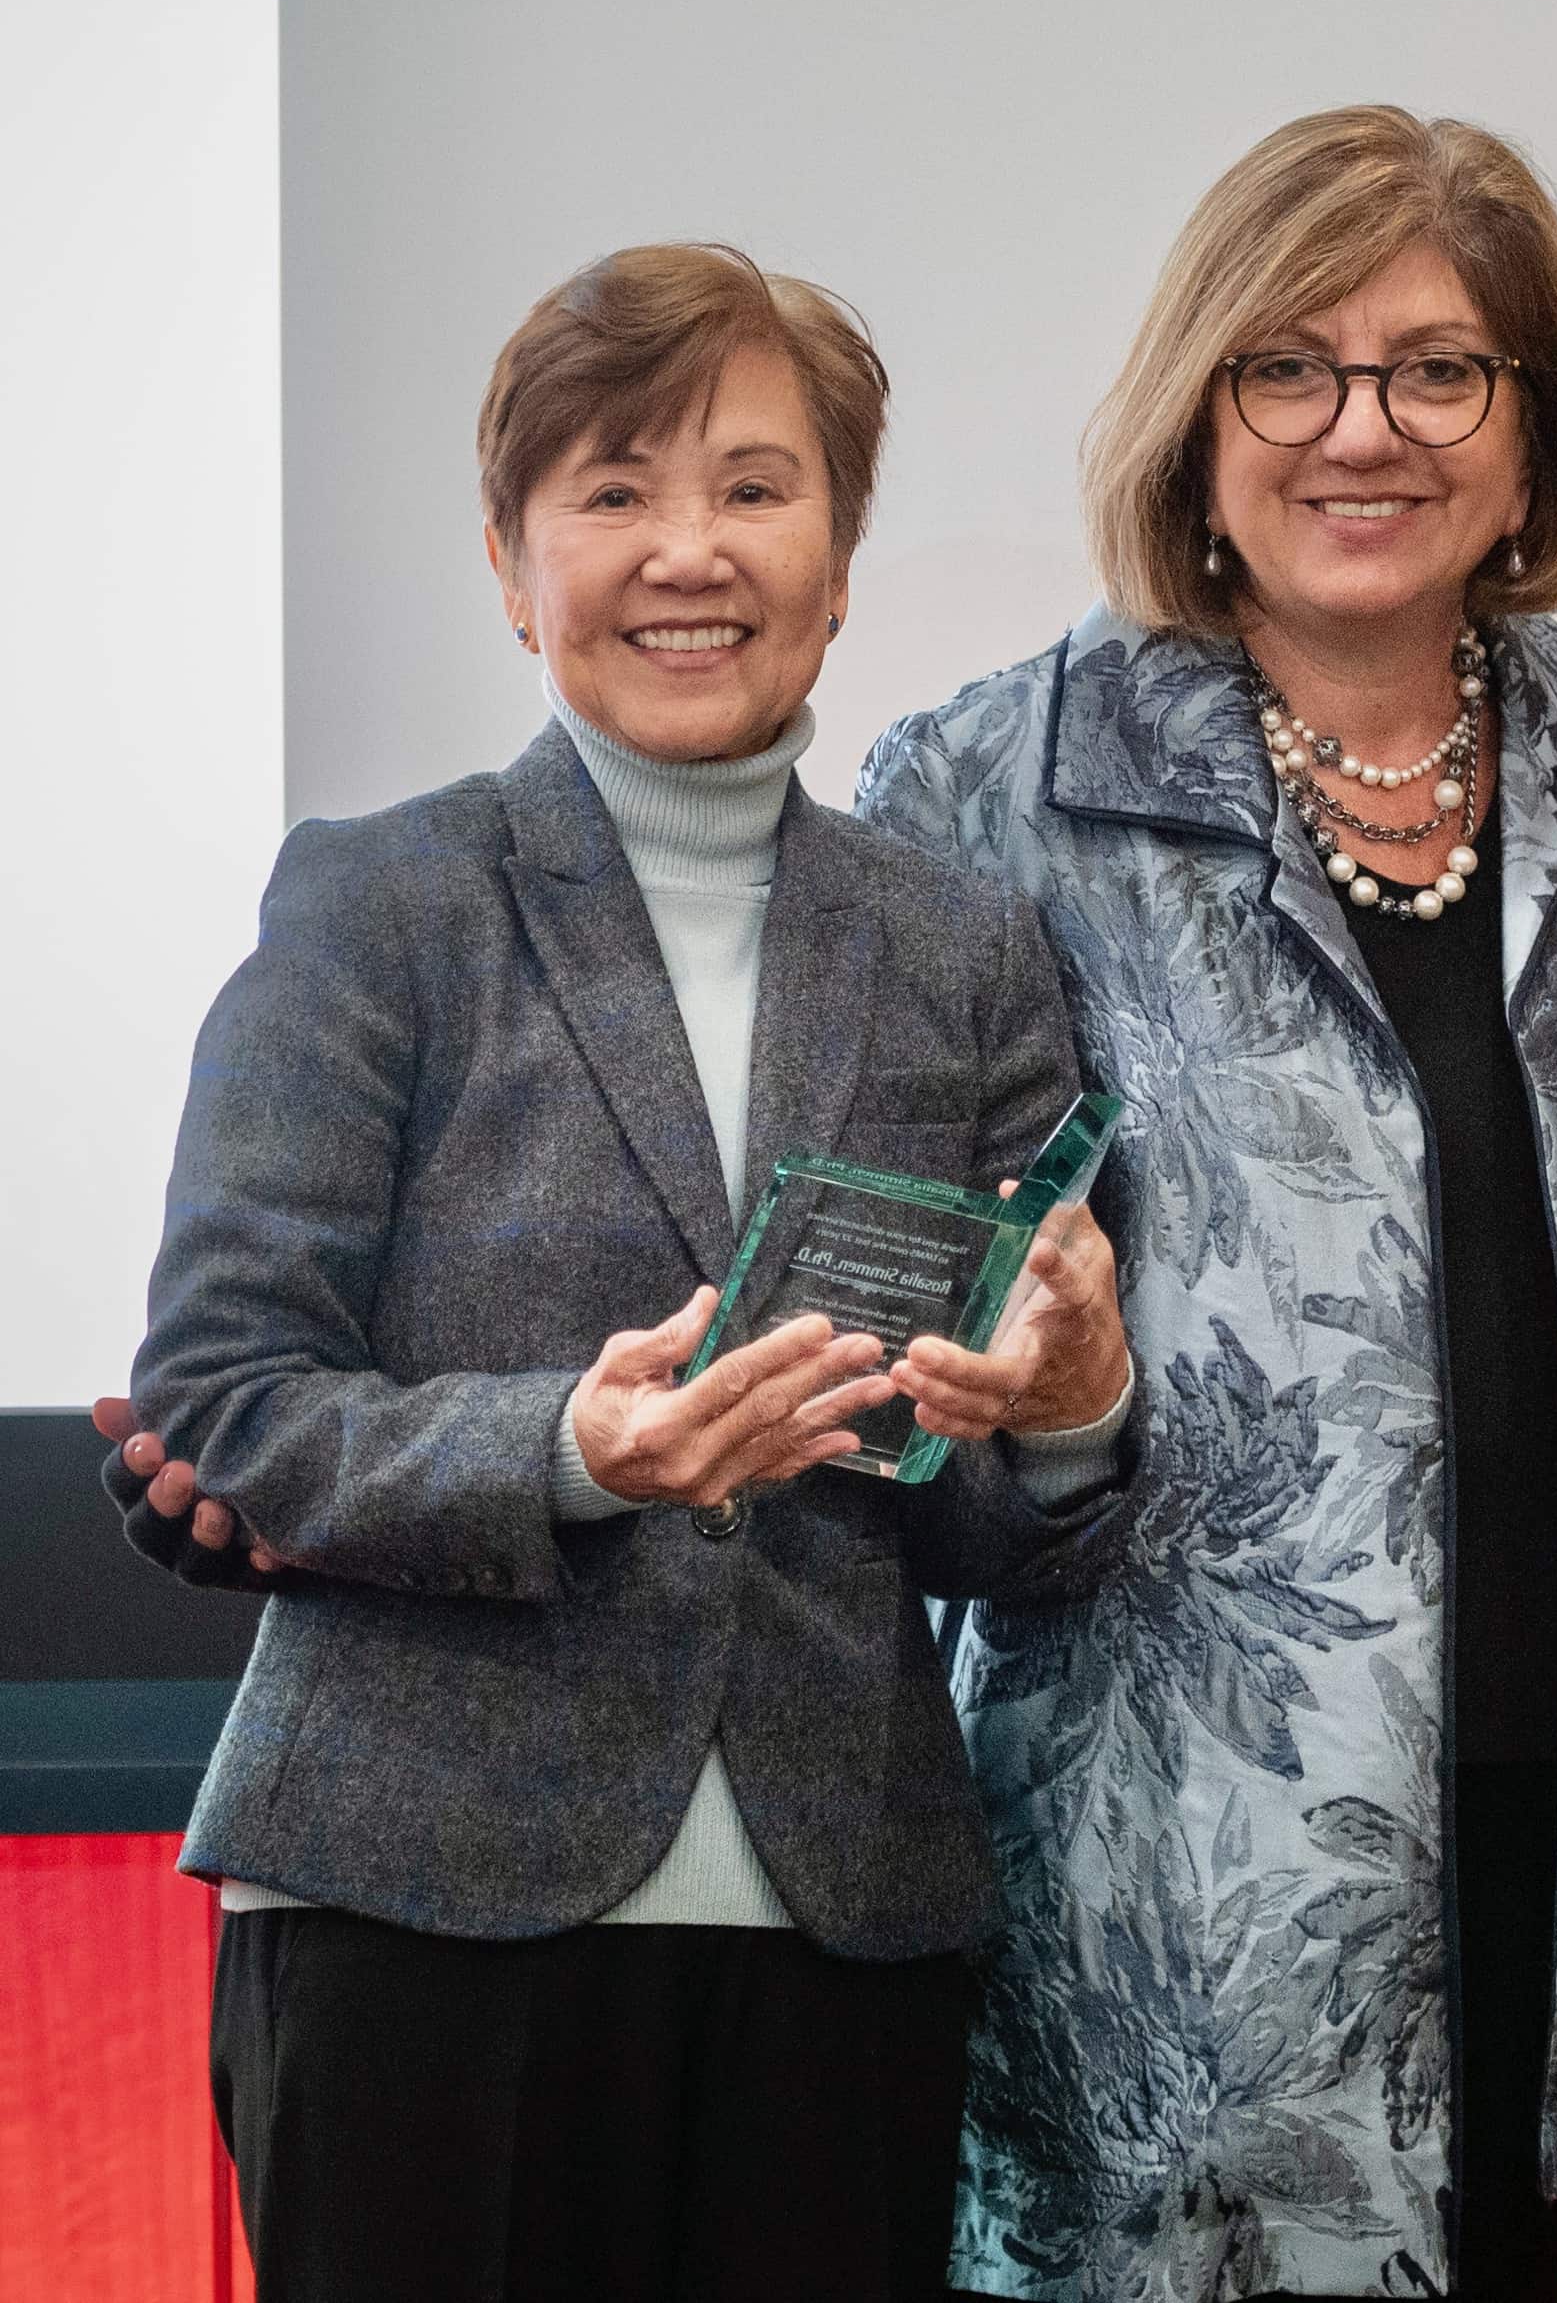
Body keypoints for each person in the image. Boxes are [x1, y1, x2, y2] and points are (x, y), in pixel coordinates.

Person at [99, 244, 1141, 2303]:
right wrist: (570, 1448)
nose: (689, 549)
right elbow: (228, 1389)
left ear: (838, 563)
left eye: (756, 488)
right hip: (418, 1910)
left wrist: (1072, 1401)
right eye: (611, 488)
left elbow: (1004, 1533)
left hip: (844, 1926)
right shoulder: (377, 900)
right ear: (512, 559)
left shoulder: (966, 949)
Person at [856, 106, 1557, 2303]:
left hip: (1538, 1858)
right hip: (1156, 1900)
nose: (1364, 430)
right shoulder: (991, 795)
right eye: (1289, 367)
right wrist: (1053, 1406)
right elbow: (878, 1409)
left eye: (1440, 369)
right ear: (1196, 419)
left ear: (1531, 434)